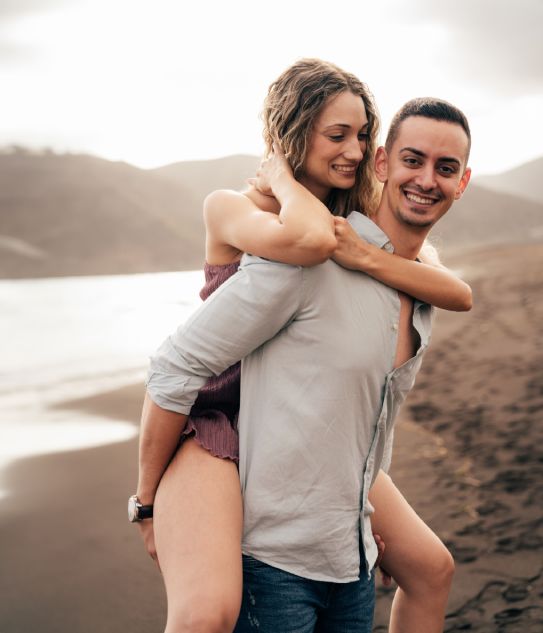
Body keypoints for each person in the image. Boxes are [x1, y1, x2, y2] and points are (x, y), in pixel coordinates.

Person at [133, 60, 471, 633]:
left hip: (305, 435)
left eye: (362, 135)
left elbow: (456, 292)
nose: (354, 150)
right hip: (218, 415)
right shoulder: (271, 224)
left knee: (430, 567)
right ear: (292, 135)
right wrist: (145, 503)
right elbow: (180, 365)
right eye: (337, 135)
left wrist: (354, 519)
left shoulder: (355, 240)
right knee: (204, 614)